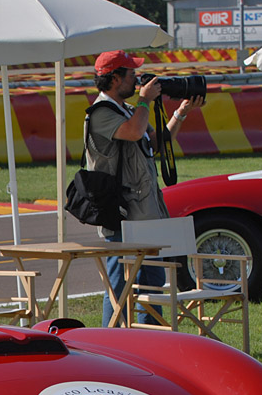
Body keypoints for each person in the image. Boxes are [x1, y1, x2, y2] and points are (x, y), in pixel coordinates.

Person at [84, 50, 204, 326]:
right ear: (115, 78)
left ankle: (151, 345)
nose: (138, 80)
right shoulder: (101, 112)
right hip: (121, 216)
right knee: (119, 289)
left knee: (153, 284)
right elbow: (134, 132)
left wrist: (181, 113)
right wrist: (144, 100)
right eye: (132, 74)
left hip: (147, 212)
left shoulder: (128, 110)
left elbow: (155, 143)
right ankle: (110, 347)